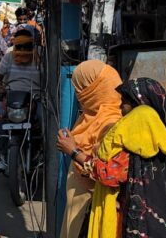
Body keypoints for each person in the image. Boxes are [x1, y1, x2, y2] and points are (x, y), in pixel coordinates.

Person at [57, 78, 166, 238]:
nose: (120, 108)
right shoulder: (162, 133)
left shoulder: (137, 130)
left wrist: (73, 151)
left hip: (143, 224)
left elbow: (109, 174)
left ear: (138, 103)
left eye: (124, 102)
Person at [58, 60, 123, 238]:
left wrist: (73, 150)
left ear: (92, 90)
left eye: (81, 88)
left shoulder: (111, 123)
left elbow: (106, 171)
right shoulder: (90, 116)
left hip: (94, 208)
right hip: (81, 206)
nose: (79, 94)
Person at [0, 25, 43, 172]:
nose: (22, 50)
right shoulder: (9, 56)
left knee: (44, 118)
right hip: (11, 97)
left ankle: (42, 151)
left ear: (32, 44)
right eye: (19, 46)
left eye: (26, 46)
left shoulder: (39, 56)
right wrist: (0, 88)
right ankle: (1, 154)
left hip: (35, 98)